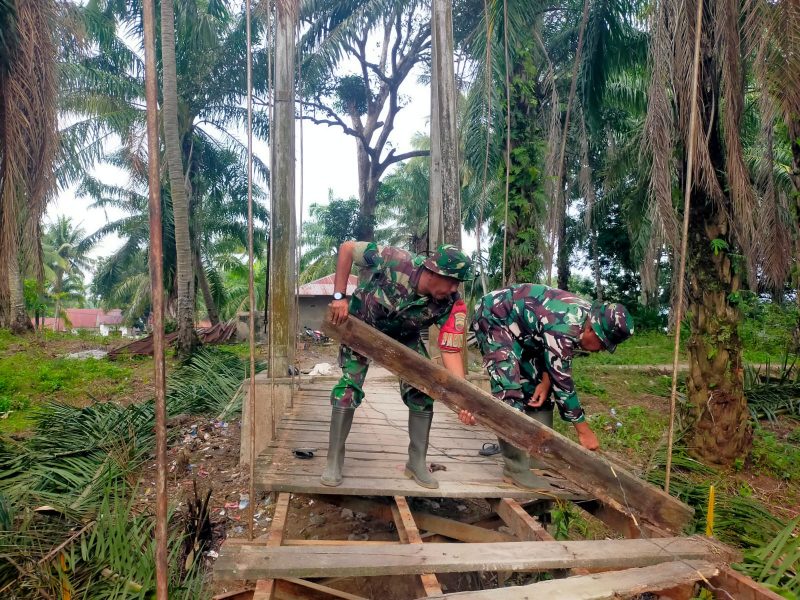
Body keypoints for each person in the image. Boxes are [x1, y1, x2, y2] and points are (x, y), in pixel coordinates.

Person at [321, 240, 474, 489]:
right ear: (433, 271)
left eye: (458, 283)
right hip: (361, 328)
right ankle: (333, 461)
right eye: (452, 281)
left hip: (405, 338)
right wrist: (339, 297)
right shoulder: (393, 259)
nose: (454, 288)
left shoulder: (452, 304)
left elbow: (451, 350)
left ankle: (416, 463)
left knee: (423, 393)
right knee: (348, 389)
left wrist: (463, 399)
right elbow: (348, 248)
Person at [458, 284, 634, 489]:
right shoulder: (566, 324)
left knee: (537, 389)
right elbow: (564, 383)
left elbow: (550, 352)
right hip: (495, 316)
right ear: (590, 329)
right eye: (602, 344)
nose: (601, 350)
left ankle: (535, 457)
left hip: (526, 331)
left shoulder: (583, 318)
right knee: (509, 390)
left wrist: (544, 381)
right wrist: (583, 431)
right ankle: (515, 469)